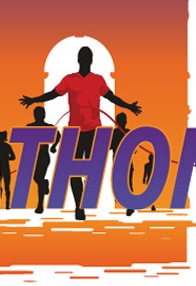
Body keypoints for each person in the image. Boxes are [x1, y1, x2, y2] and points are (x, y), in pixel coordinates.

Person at [16, 44, 142, 220]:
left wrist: (128, 106)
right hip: (75, 133)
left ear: (90, 60)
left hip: (94, 132)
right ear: (79, 60)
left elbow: (111, 97)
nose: (85, 60)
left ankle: (126, 201)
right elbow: (53, 94)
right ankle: (79, 207)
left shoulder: (98, 80)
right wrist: (34, 99)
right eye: (83, 57)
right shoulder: (69, 79)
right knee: (73, 172)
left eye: (87, 58)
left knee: (95, 171)